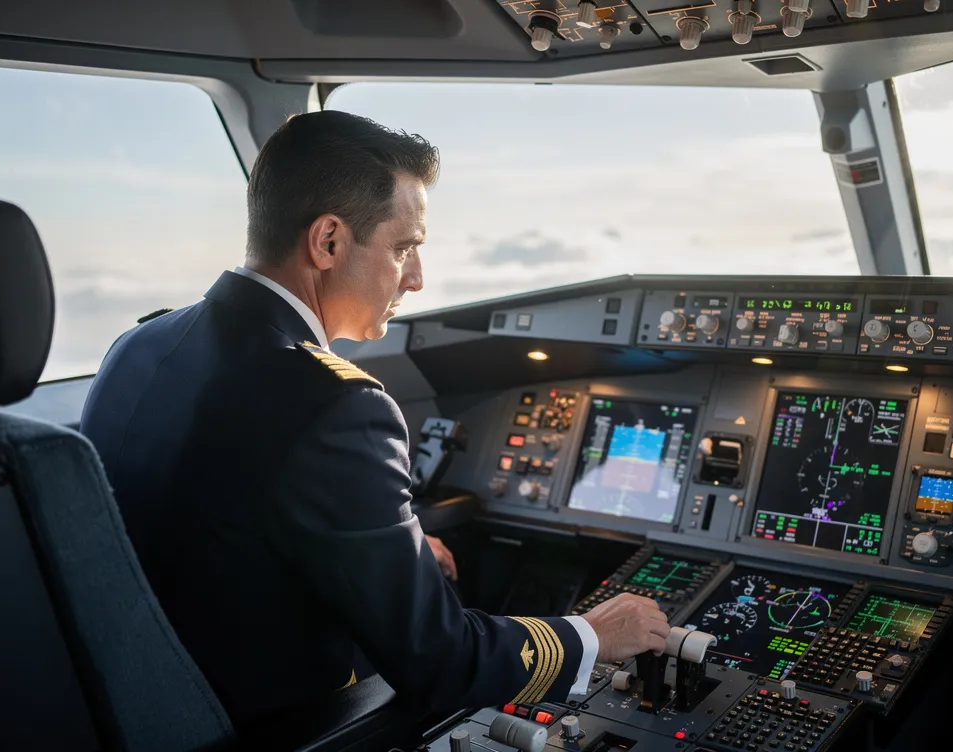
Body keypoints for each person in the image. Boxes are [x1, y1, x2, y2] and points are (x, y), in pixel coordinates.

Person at [79, 110, 670, 727]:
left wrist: (398, 553)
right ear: (329, 241)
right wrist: (591, 635)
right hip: (275, 724)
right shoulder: (337, 404)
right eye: (404, 248)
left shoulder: (139, 346)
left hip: (146, 700)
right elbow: (442, 660)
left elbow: (216, 528)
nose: (416, 278)